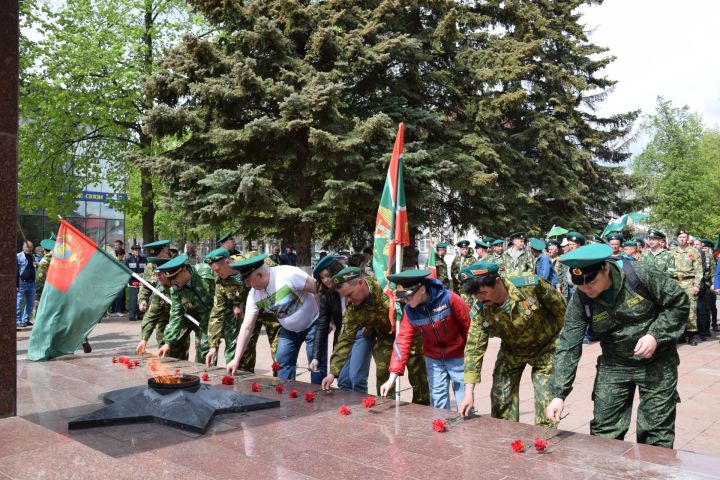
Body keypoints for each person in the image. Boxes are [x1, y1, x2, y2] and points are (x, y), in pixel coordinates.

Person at [547, 244, 689, 448]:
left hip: (657, 362)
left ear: (605, 268)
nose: (587, 289)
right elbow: (568, 344)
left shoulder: (640, 275)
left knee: (656, 433)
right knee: (604, 431)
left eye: (592, 282)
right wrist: (558, 394)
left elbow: (679, 302)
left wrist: (655, 335)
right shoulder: (582, 298)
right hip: (614, 365)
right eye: (581, 285)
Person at [458, 262, 567, 426]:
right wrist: (468, 392)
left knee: (547, 401)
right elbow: (474, 348)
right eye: (475, 295)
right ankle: (506, 441)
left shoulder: (531, 284)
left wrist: (564, 346)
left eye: (482, 292)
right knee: (500, 397)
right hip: (512, 351)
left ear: (497, 281)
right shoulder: (481, 309)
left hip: (546, 348)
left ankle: (543, 443)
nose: (479, 298)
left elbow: (562, 310)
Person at [320, 267, 428, 403]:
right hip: (386, 338)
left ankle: (422, 412)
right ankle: (387, 409)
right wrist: (332, 373)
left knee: (419, 378)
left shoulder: (385, 286)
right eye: (345, 297)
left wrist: (403, 299)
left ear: (360, 283)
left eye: (350, 294)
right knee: (383, 376)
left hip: (412, 336)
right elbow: (345, 340)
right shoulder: (354, 308)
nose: (349, 300)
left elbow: (419, 297)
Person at [380, 269, 470, 410]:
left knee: (463, 396)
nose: (406, 301)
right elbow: (402, 341)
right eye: (403, 297)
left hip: (458, 355)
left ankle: (468, 429)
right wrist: (392, 377)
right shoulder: (410, 311)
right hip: (433, 358)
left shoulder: (449, 299)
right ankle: (440, 426)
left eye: (408, 296)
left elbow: (470, 325)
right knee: (437, 399)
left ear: (422, 289)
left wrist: (470, 354)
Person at [226, 254, 323, 383]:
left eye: (248, 281)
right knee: (282, 362)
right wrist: (236, 359)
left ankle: (320, 398)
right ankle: (287, 395)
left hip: (313, 324)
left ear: (260, 275)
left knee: (316, 365)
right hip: (289, 331)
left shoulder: (288, 274)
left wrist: (324, 320)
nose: (248, 286)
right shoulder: (254, 295)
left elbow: (318, 289)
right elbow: (247, 327)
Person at [204, 248, 281, 371]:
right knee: (244, 354)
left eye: (217, 270)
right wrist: (213, 346)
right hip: (249, 316)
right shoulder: (221, 280)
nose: (216, 274)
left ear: (227, 262)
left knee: (279, 355)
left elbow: (278, 276)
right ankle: (245, 387)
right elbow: (217, 312)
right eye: (214, 271)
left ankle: (281, 386)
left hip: (272, 311)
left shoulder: (253, 259)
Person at [310, 256, 372, 393]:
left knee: (356, 378)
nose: (325, 280)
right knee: (343, 380)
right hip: (343, 336)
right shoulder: (327, 297)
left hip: (362, 333)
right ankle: (348, 409)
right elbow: (322, 324)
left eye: (327, 275)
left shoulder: (354, 283)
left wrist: (370, 325)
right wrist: (316, 356)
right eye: (322, 278)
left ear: (335, 271)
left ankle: (362, 410)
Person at [157, 254, 215, 363]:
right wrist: (168, 342)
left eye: (174, 277)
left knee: (235, 349)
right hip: (206, 321)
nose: (173, 282)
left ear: (183, 270)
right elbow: (176, 315)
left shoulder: (205, 271)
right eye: (170, 279)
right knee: (205, 352)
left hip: (227, 313)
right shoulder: (175, 289)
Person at [135, 257, 174, 356]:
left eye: (160, 274)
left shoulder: (179, 285)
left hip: (190, 317)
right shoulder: (160, 291)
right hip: (168, 316)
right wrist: (144, 339)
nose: (157, 278)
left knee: (179, 346)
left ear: (168, 273)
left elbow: (177, 318)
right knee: (165, 347)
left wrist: (169, 342)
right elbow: (151, 315)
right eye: (156, 275)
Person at [670, 230, 702, 345]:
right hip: (676, 283)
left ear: (687, 239)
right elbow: (669, 268)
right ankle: (681, 334)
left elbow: (698, 270)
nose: (682, 239)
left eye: (684, 237)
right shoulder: (672, 252)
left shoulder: (694, 252)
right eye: (680, 237)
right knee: (677, 308)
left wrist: (697, 285)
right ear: (677, 238)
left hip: (689, 283)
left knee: (691, 309)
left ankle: (691, 335)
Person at [124, 245, 147, 321]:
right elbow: (126, 271)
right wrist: (135, 275)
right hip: (132, 283)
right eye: (135, 250)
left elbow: (147, 270)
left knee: (141, 298)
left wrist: (142, 274)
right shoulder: (128, 260)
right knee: (133, 300)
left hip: (142, 283)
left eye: (138, 250)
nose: (137, 251)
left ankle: (140, 314)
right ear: (132, 251)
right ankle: (132, 315)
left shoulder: (144, 260)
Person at [16, 240, 36, 329]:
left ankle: (26, 319)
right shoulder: (18, 256)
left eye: (30, 247)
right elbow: (16, 271)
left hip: (32, 283)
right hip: (22, 282)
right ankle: (18, 320)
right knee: (18, 302)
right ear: (23, 247)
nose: (28, 248)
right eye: (27, 246)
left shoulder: (33, 257)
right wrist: (16, 284)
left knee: (30, 303)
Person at [111, 248, 126, 315]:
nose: (123, 257)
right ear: (118, 255)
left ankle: (116, 310)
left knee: (120, 296)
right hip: (116, 282)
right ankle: (117, 310)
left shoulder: (123, 262)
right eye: (122, 255)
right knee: (119, 296)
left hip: (121, 281)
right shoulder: (115, 262)